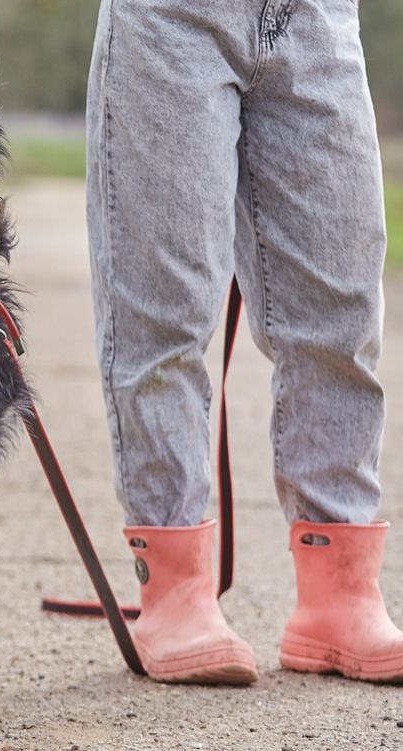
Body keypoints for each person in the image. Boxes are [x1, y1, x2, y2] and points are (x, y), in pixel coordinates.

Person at [86, 0, 401, 684]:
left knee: (341, 304)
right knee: (165, 311)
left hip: (315, 15)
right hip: (171, 17)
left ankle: (339, 594)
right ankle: (175, 591)